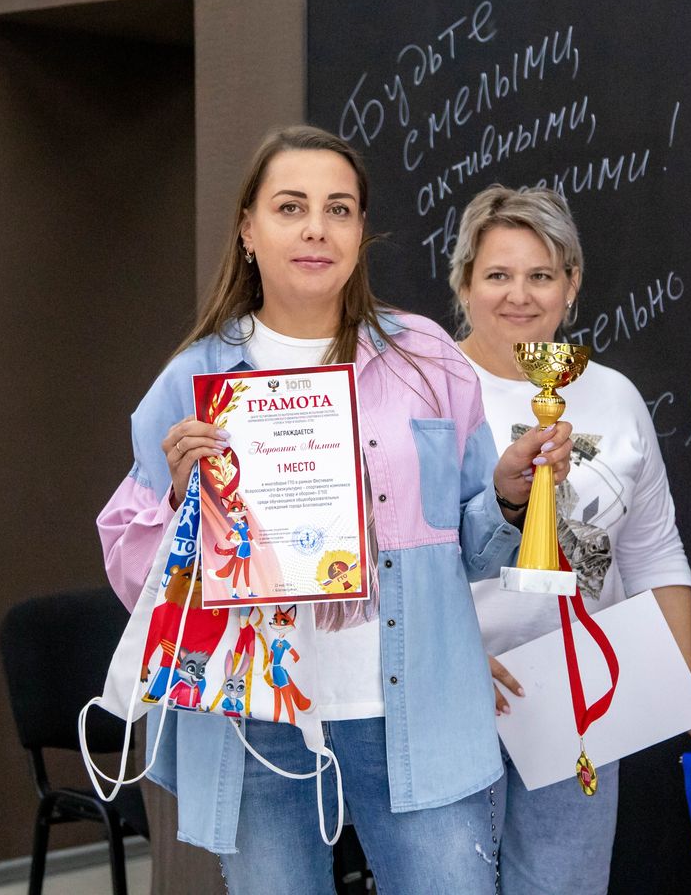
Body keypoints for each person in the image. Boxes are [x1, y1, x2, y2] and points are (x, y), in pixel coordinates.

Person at [97, 126, 573, 893]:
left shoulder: (424, 357)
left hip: (413, 709)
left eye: (339, 209)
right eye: (291, 207)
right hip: (254, 720)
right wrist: (188, 507)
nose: (317, 227)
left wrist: (512, 497)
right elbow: (130, 563)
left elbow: (476, 544)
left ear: (360, 232)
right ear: (248, 230)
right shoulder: (194, 378)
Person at [448, 184, 691, 895]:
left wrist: (685, 686)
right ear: (464, 284)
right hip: (454, 694)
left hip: (579, 700)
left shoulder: (613, 395)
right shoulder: (424, 391)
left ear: (571, 285)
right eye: (498, 274)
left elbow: (654, 552)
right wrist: (446, 657)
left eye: (542, 275)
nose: (520, 295)